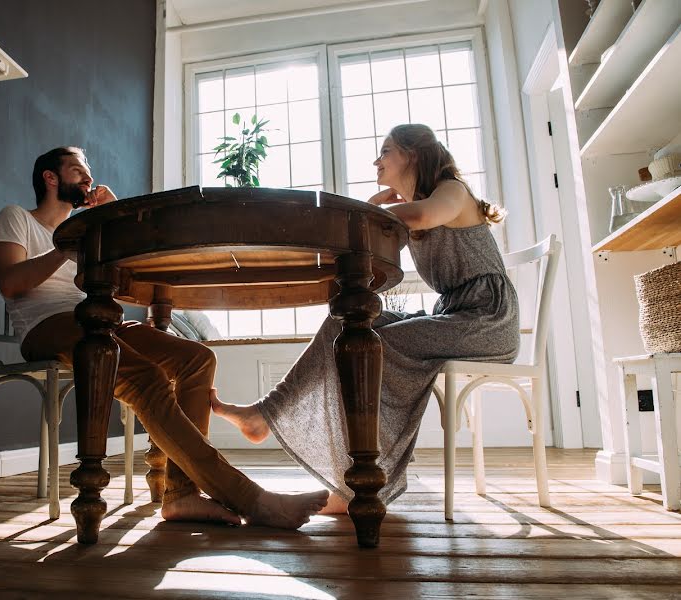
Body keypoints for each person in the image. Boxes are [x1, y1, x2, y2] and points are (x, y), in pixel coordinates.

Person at [0, 146, 328, 527]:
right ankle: (248, 497)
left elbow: (118, 283)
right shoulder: (16, 218)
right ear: (50, 178)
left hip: (98, 320)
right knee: (145, 376)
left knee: (197, 359)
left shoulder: (87, 232)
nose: (88, 178)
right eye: (77, 171)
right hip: (46, 326)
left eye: (88, 172)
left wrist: (111, 223)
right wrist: (66, 249)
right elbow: (11, 284)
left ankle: (181, 494)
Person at [211, 124, 520, 514]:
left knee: (367, 348)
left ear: (413, 154)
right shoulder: (420, 208)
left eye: (386, 151)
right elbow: (384, 240)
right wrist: (376, 208)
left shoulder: (452, 191)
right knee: (347, 325)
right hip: (454, 316)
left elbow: (422, 214)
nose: (377, 160)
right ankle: (265, 414)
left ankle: (358, 486)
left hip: (486, 319)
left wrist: (372, 210)